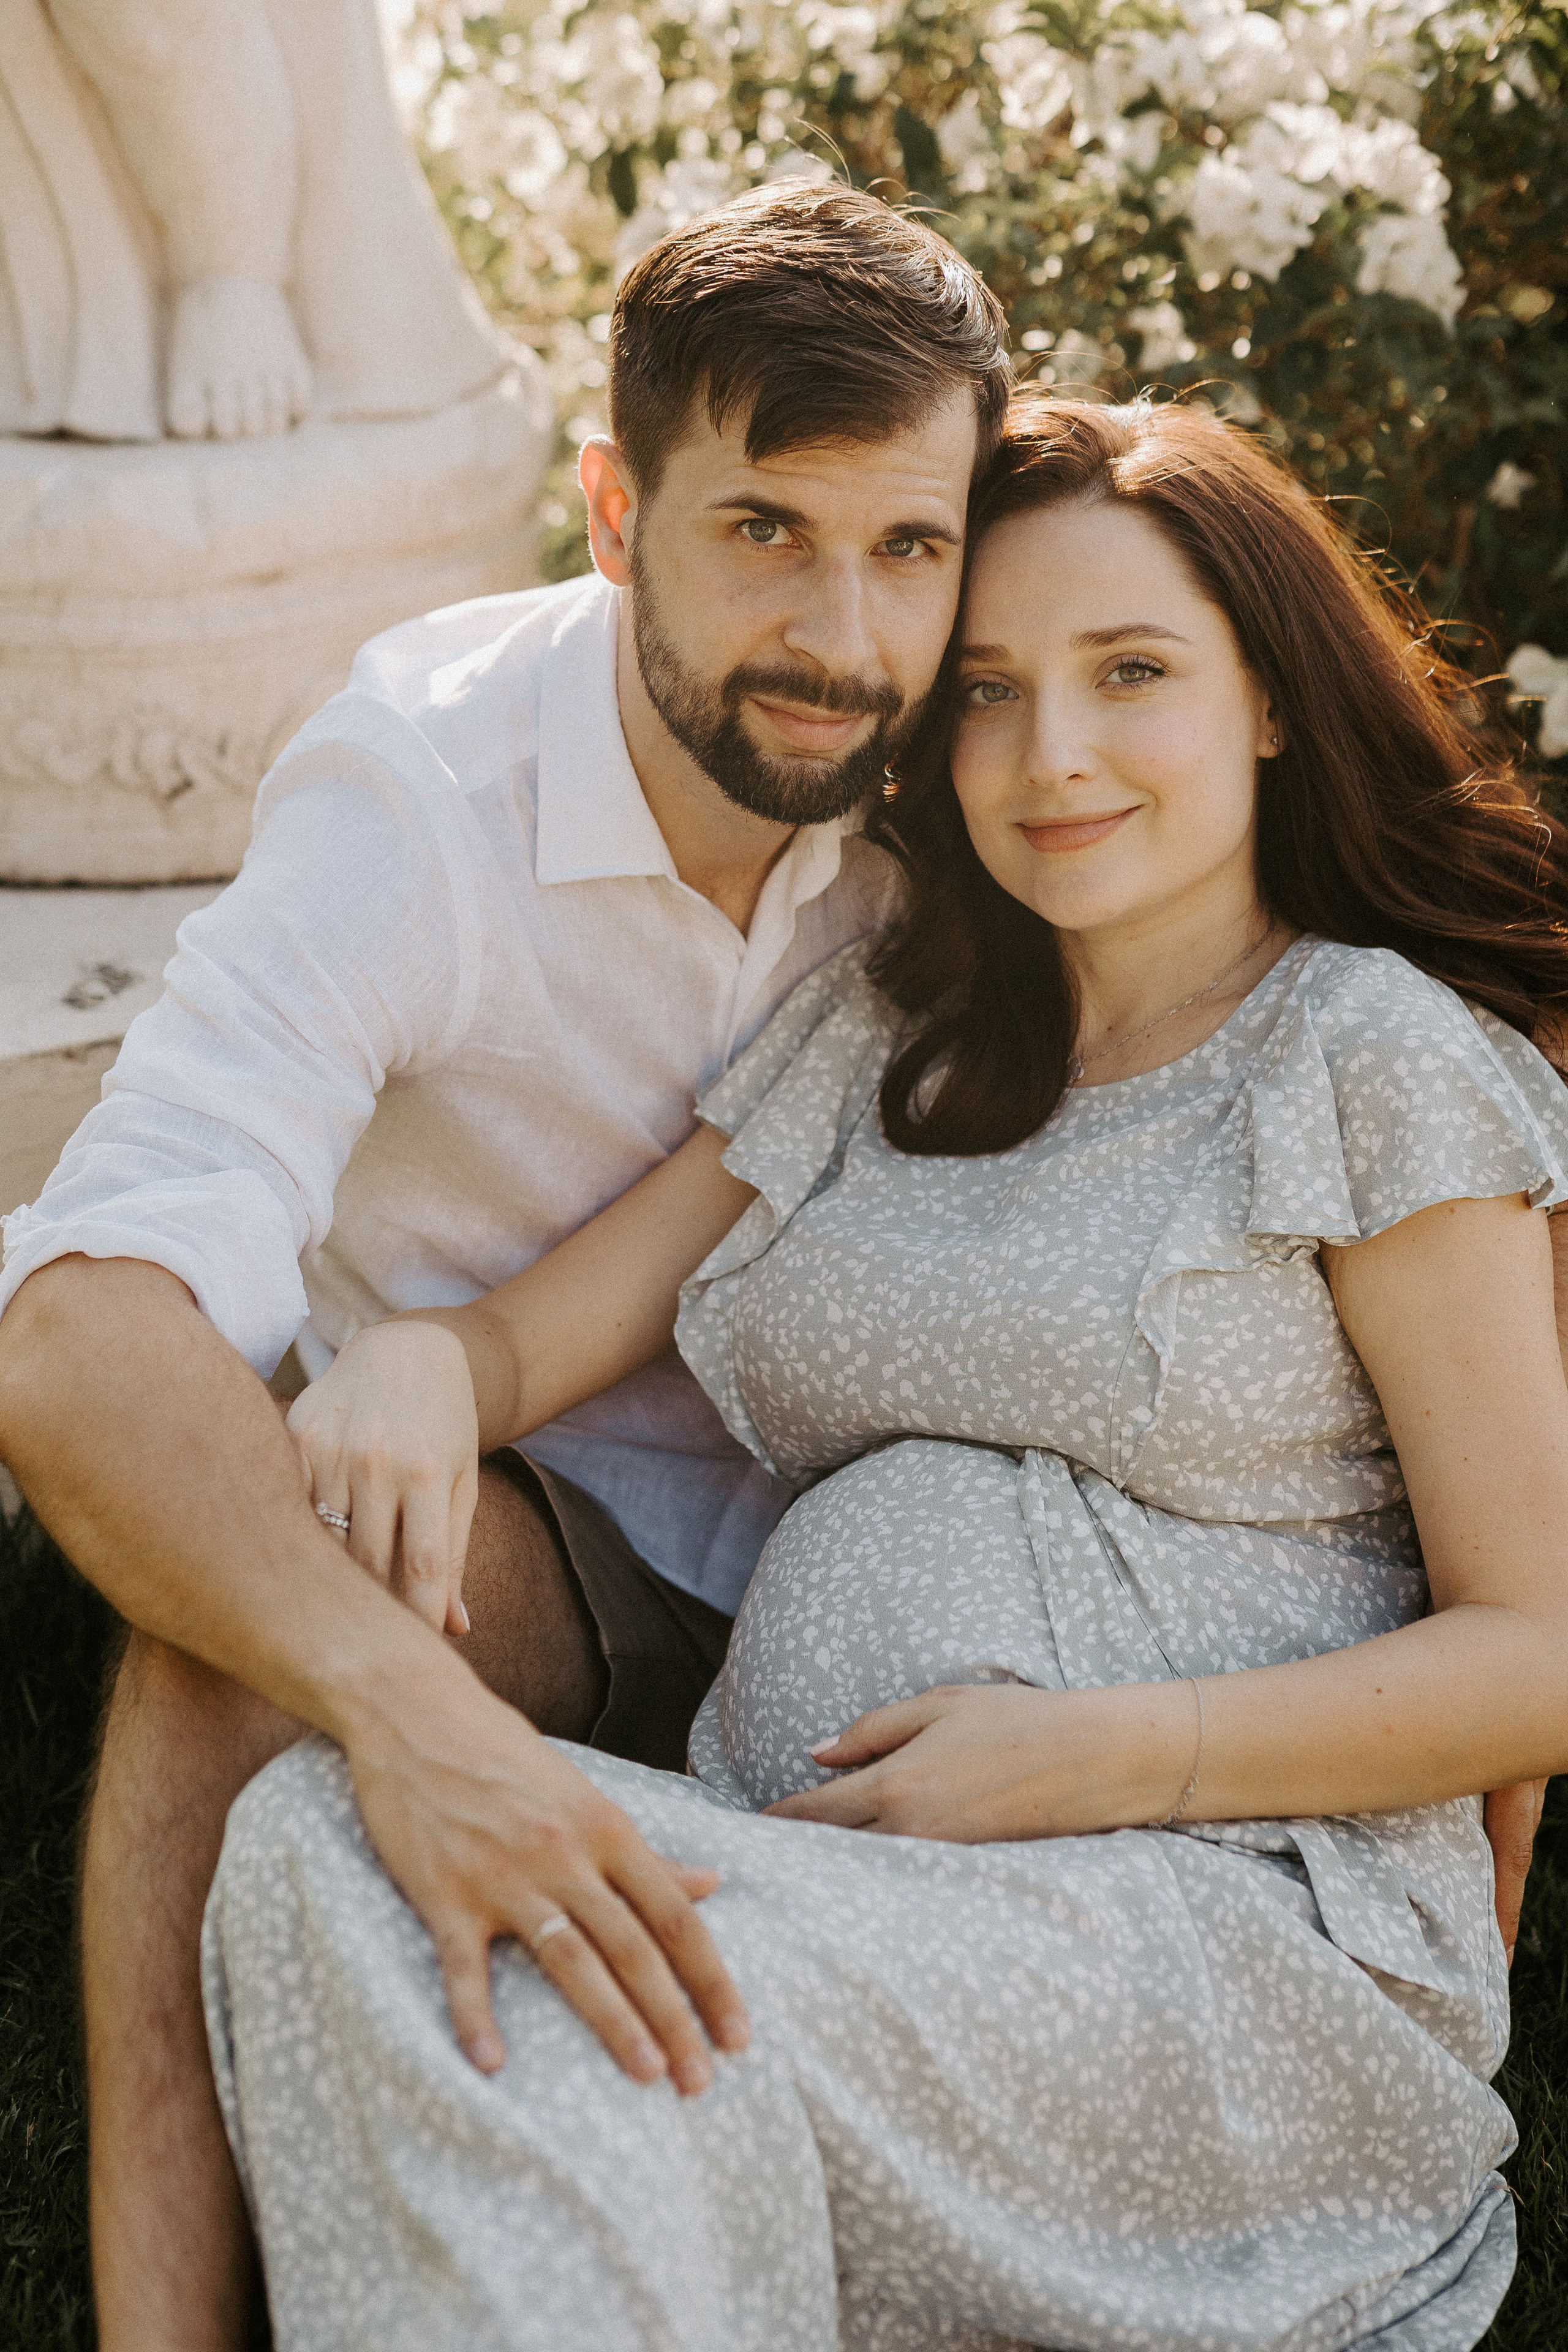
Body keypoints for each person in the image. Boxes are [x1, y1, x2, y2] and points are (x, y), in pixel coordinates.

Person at [209, 394, 1568, 2350]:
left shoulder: (1365, 1053)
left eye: (1132, 676)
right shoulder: (889, 1028)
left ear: (1269, 702)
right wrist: (420, 1367)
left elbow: (1536, 1644)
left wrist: (1105, 1758)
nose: (1055, 755)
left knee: (599, 2018)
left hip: (1203, 1917)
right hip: (824, 1879)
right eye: (993, 691)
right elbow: (530, 1333)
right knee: (318, 1840)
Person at [0, 183, 1009, 2352]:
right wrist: (404, 1715)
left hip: (922, 1501)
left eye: (907, 545)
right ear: (614, 506)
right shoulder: (421, 787)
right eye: (764, 532)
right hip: (550, 1514)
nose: (844, 631)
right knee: (240, 1652)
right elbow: (84, 1316)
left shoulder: (990, 772)